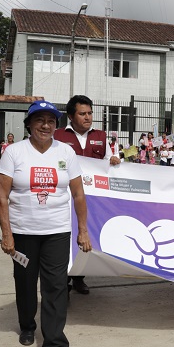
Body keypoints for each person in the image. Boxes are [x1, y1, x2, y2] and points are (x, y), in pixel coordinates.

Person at [0, 100, 91, 347]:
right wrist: (7, 234)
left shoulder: (67, 152)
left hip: (57, 232)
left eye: (51, 121)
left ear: (56, 125)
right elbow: (1, 195)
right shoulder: (14, 153)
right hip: (23, 232)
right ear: (29, 124)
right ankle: (27, 325)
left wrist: (83, 230)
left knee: (56, 287)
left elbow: (78, 194)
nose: (45, 125)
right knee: (25, 283)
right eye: (39, 120)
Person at [54, 95, 120, 295]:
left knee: (86, 234)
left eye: (90, 113)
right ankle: (63, 281)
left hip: (91, 198)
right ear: (71, 116)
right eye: (82, 114)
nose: (88, 117)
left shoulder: (101, 136)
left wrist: (114, 161)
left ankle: (79, 278)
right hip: (64, 197)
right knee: (66, 236)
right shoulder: (58, 136)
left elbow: (109, 160)